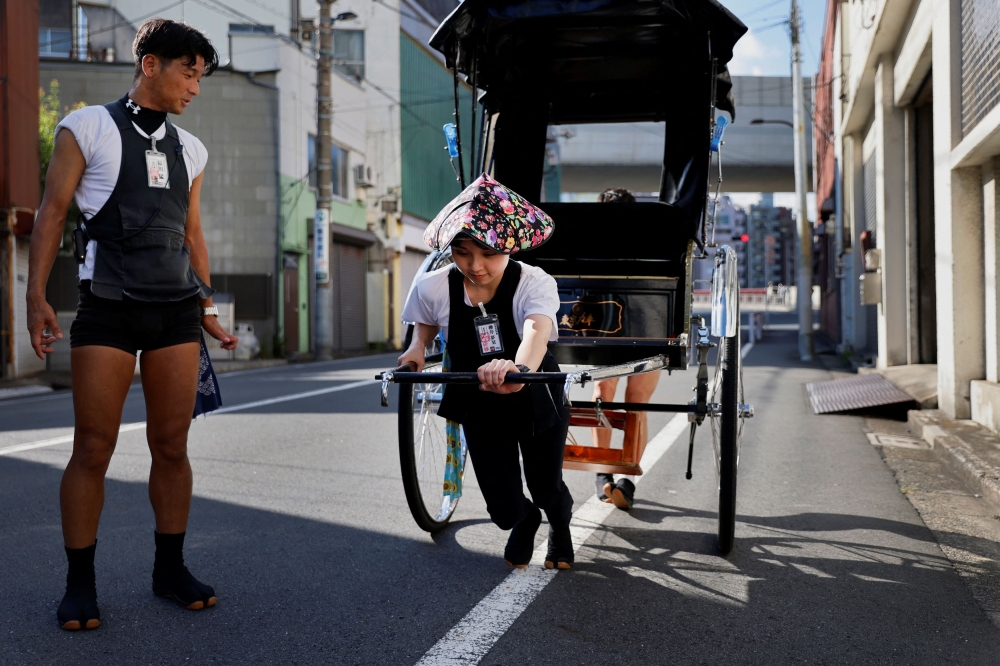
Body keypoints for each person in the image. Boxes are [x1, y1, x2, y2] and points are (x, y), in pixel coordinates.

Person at [27, 19, 237, 631]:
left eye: (201, 75)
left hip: (175, 310)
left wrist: (209, 310)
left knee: (172, 446)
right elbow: (52, 211)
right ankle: (79, 583)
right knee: (93, 448)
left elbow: (192, 234)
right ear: (151, 64)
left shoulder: (191, 148)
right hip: (108, 305)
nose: (195, 87)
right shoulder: (86, 126)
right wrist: (36, 297)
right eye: (188, 72)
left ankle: (169, 569)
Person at [398, 173, 574, 570]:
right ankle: (525, 520)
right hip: (477, 399)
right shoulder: (432, 285)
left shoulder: (535, 282)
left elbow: (537, 331)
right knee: (503, 509)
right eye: (462, 253)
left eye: (488, 253)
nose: (475, 266)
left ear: (509, 246)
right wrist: (415, 350)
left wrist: (519, 368)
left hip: (534, 393)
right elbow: (422, 327)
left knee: (546, 487)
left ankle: (559, 529)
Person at [590, 187, 661, 511]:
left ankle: (614, 474)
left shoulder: (594, 241)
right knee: (628, 399)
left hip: (619, 323)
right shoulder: (650, 239)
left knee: (616, 396)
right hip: (643, 322)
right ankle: (614, 474)